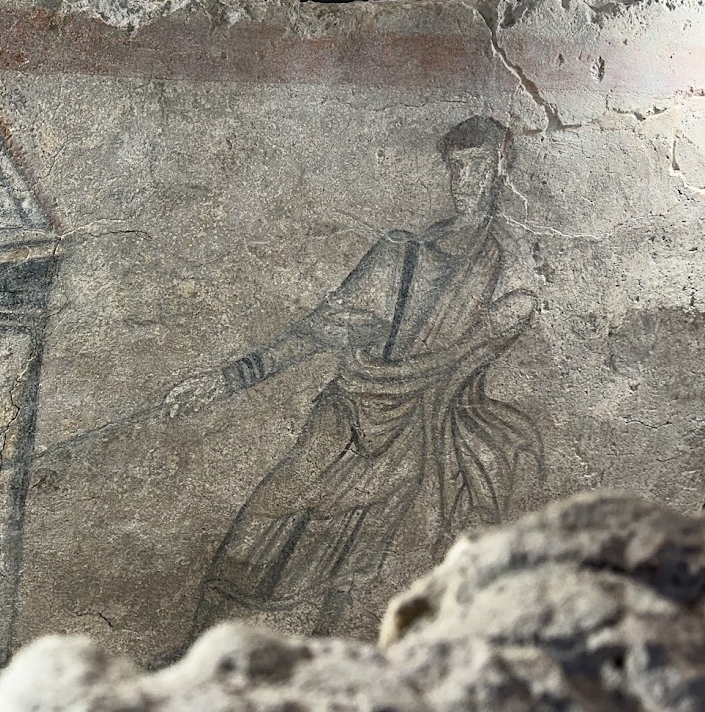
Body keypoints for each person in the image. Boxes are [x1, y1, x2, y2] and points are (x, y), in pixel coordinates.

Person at [165, 116, 544, 639]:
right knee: (265, 517)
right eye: (456, 168)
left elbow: (504, 322)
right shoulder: (402, 253)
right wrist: (228, 379)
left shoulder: (509, 262)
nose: (463, 182)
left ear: (501, 170)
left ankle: (335, 660)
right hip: (352, 410)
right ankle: (197, 645)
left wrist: (492, 326)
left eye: (476, 168)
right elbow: (316, 332)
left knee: (362, 566)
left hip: (421, 429)